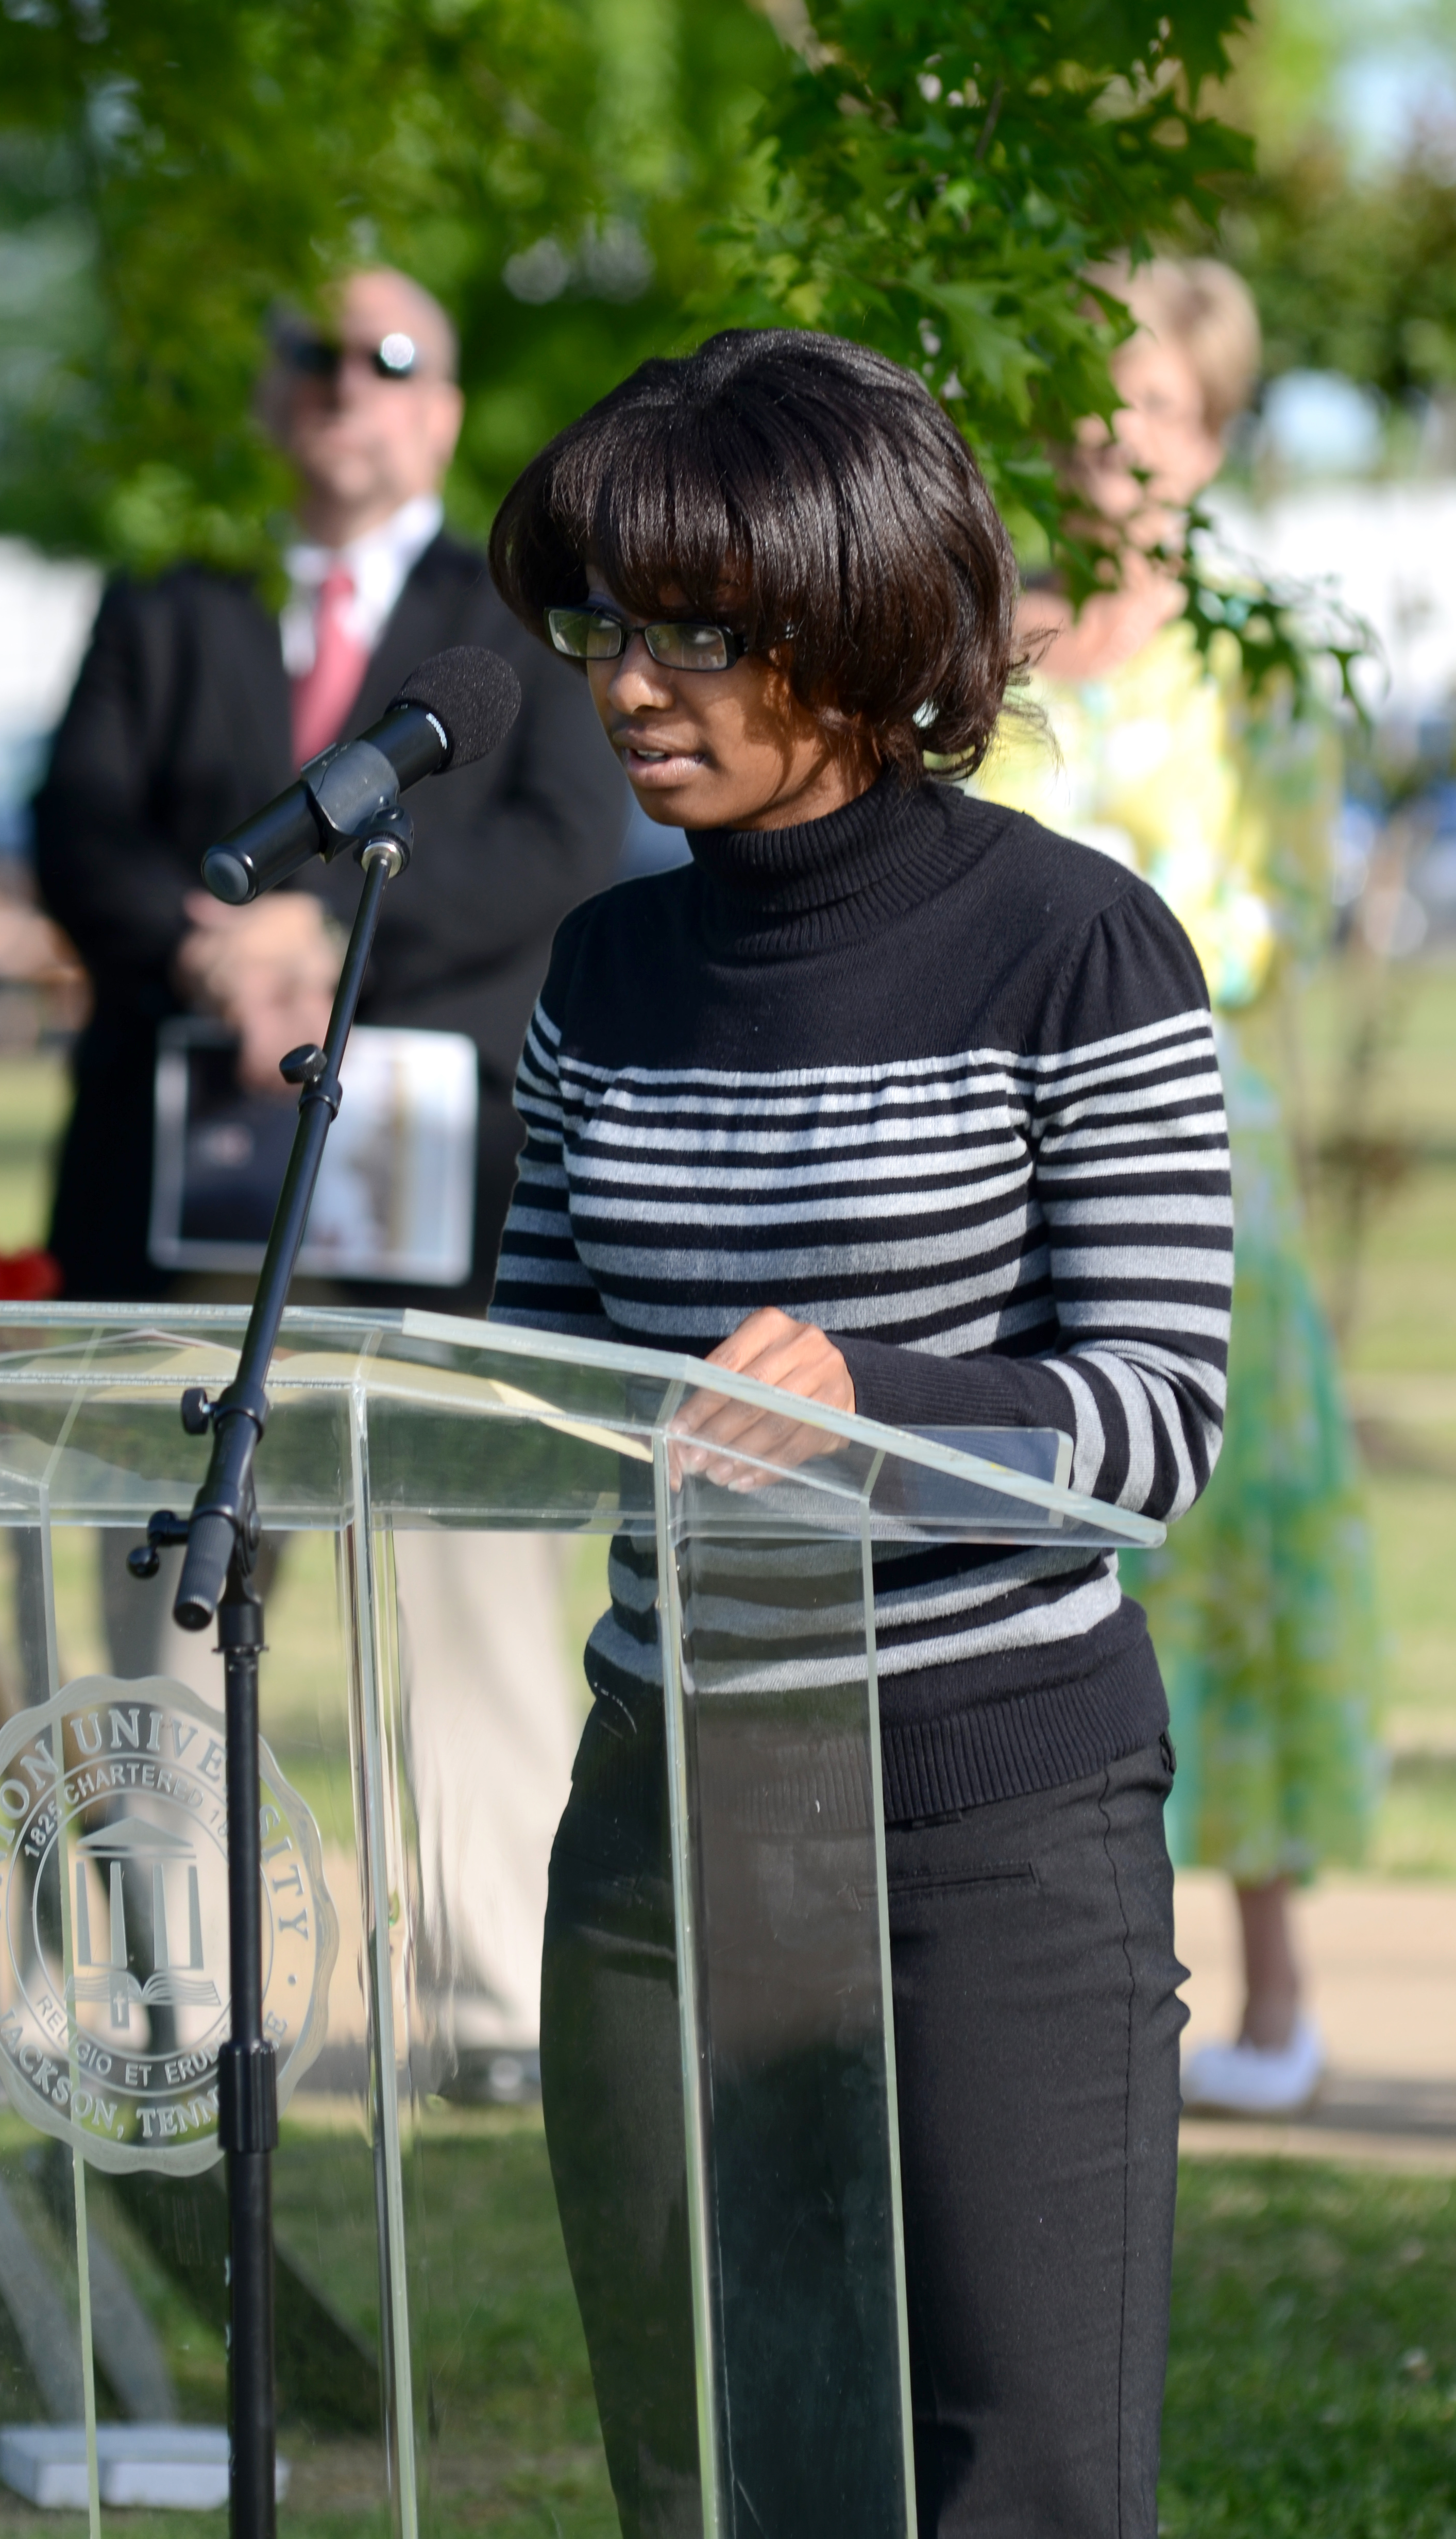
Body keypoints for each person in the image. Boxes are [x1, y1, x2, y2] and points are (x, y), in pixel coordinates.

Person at [485, 328, 1231, 2537]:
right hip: (669, 1820)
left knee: (1026, 2482)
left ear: (858, 617)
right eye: (606, 625)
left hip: (991, 1827)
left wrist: (863, 1398)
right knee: (718, 2476)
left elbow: (1158, 1422)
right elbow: (541, 1374)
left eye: (697, 633)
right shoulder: (601, 973)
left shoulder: (1076, 946)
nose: (633, 684)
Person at [36, 266, 630, 2091]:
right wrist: (214, 955)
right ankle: (177, 2003)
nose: (344, 388)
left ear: (441, 409)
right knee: (167, 1590)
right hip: (184, 1195)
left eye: (388, 362)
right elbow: (79, 829)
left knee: (464, 1598)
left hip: (436, 1198)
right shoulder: (170, 602)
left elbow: (561, 847)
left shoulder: (510, 628)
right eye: (311, 356)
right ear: (266, 394)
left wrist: (322, 941)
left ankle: (485, 2011)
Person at [976, 258, 1380, 2118]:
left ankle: (1276, 1987)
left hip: (1205, 1163)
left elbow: (1272, 923)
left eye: (1148, 402)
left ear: (1210, 438)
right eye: (1085, 394)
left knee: (1232, 1561)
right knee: (1042, 1556)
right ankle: (1062, 1978)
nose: (1106, 433)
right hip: (997, 1177)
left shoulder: (1257, 665)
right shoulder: (984, 651)